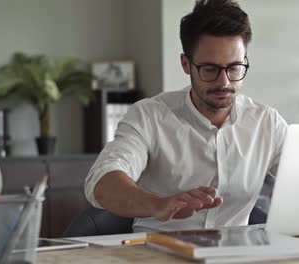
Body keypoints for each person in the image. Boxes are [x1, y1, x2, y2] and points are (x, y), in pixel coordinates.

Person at [84, 0, 287, 232]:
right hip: (157, 253)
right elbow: (101, 182)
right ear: (186, 64)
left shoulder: (267, 122)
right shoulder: (149, 116)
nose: (224, 82)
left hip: (236, 253)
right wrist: (158, 204)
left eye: (234, 68)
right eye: (210, 69)